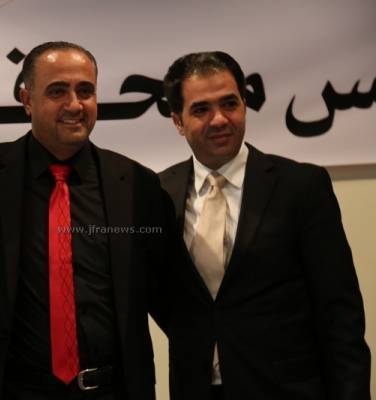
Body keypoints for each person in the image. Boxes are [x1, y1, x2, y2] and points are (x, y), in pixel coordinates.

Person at [0, 41, 171, 399]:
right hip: (9, 392)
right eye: (57, 91)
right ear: (26, 99)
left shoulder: (137, 183)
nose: (74, 105)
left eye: (85, 91)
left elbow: (169, 295)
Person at [159, 51, 371, 400]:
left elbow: (339, 312)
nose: (219, 119)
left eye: (230, 103)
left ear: (245, 105)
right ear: (178, 121)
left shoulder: (301, 187)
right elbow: (162, 298)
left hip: (287, 389)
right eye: (201, 110)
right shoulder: (159, 194)